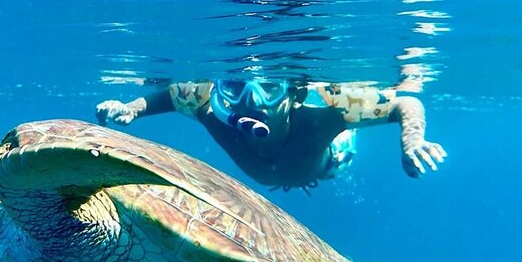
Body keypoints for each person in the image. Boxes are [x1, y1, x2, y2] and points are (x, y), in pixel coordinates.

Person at [96, 78, 446, 192]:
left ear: (294, 94)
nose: (251, 101)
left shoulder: (326, 114)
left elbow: (405, 101)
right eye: (235, 88)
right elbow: (171, 96)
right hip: (282, 170)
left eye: (269, 88)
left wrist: (412, 141)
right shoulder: (209, 109)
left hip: (330, 160)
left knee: (342, 150)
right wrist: (132, 108)